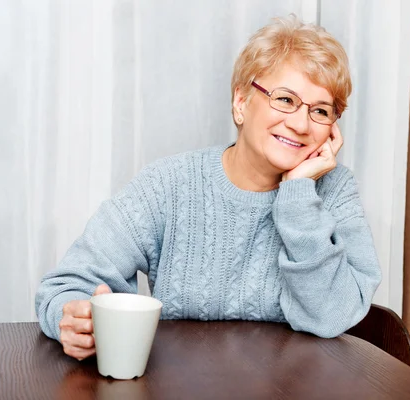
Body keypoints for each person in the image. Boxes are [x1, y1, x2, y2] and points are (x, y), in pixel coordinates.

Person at [35, 15, 381, 360]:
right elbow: (67, 285)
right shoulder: (169, 184)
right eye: (286, 100)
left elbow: (332, 315)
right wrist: (72, 318)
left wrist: (298, 197)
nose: (301, 124)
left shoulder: (334, 190)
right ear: (241, 102)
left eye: (320, 110)